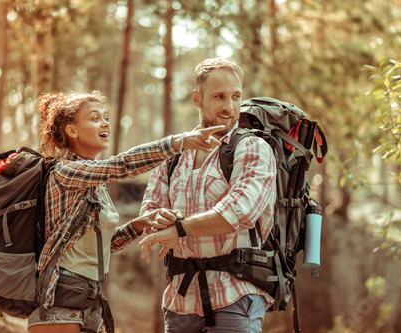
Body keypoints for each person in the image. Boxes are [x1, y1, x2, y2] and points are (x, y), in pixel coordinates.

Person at [27, 90, 225, 333]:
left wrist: (139, 224)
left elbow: (103, 245)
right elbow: (122, 165)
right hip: (58, 298)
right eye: (94, 118)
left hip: (90, 298)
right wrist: (178, 142)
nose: (105, 123)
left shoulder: (95, 184)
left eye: (105, 117)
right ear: (72, 130)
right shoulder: (66, 172)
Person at [138, 58, 277, 332]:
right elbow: (149, 213)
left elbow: (239, 213)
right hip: (180, 300)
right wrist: (157, 221)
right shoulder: (174, 154)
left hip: (236, 295)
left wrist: (178, 228)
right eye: (219, 96)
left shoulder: (252, 148)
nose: (229, 107)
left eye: (236, 96)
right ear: (197, 98)